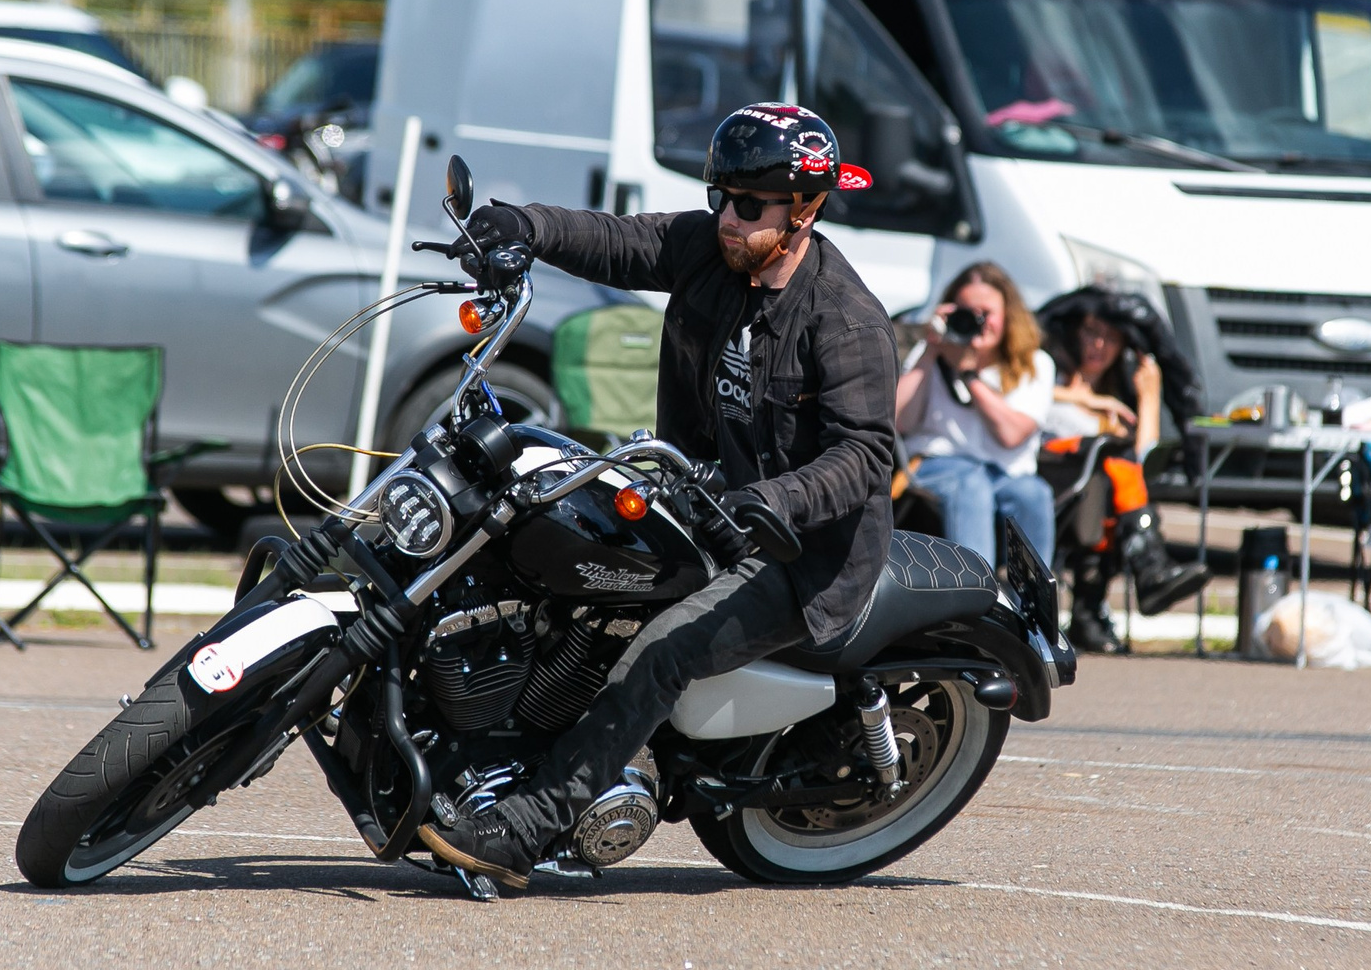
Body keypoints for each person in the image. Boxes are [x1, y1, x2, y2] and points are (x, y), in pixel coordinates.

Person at [416, 103, 899, 889]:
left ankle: (530, 827)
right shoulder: (712, 250)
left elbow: (865, 455)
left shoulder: (844, 321)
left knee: (663, 650)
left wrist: (778, 497)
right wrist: (520, 225)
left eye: (748, 205)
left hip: (802, 552)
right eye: (719, 197)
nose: (726, 218)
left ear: (805, 208)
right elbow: (614, 239)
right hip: (701, 498)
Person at [1035, 291, 1208, 651]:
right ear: (1072, 331)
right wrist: (1084, 398)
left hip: (1091, 496)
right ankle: (1149, 566)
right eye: (1091, 332)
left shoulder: (1117, 398)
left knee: (1117, 475)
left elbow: (1142, 460)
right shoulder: (1046, 372)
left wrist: (1149, 397)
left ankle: (1090, 611)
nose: (1099, 345)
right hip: (1045, 477)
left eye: (1111, 338)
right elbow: (1026, 394)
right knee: (1113, 461)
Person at [896, 262, 1057, 567]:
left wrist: (968, 374)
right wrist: (932, 350)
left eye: (987, 312)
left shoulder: (1035, 364)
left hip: (1006, 473)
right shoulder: (932, 353)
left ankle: (1036, 609)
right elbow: (899, 421)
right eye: (968, 312)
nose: (978, 321)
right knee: (972, 483)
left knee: (1034, 494)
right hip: (938, 466)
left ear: (1009, 315)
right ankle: (978, 603)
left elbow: (1011, 435)